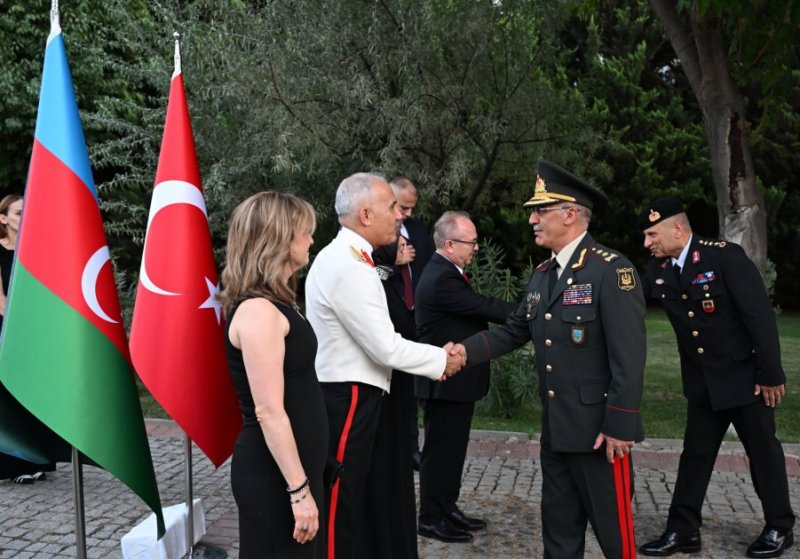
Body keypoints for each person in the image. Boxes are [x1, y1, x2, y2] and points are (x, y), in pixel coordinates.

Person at [457, 160, 646, 558]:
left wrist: (620, 425)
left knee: (616, 539)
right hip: (558, 430)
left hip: (600, 435)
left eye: (540, 211)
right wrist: (462, 352)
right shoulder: (544, 274)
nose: (532, 220)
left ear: (571, 214)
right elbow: (514, 330)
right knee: (559, 534)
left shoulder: (611, 271)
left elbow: (629, 356)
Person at [304, 172, 465, 559]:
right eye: (392, 208)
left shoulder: (353, 258)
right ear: (364, 214)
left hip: (354, 393)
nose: (399, 216)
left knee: (353, 502)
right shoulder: (349, 266)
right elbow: (385, 348)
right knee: (341, 502)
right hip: (347, 397)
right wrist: (443, 359)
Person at [637, 197, 795, 558]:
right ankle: (683, 531)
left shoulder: (724, 257)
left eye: (651, 233)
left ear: (678, 228)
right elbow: (630, 305)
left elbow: (759, 318)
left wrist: (770, 374)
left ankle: (779, 527)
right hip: (703, 384)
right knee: (695, 456)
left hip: (745, 380)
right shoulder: (657, 269)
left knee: (763, 454)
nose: (647, 243)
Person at [219, 191, 327, 558]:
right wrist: (298, 491)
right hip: (274, 477)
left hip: (293, 472)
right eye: (304, 231)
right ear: (279, 239)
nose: (312, 239)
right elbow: (268, 410)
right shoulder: (258, 311)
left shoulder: (277, 302)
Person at [415, 211, 517, 543]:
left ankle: (446, 507)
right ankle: (431, 517)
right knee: (441, 452)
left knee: (453, 449)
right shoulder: (442, 277)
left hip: (456, 383)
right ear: (449, 243)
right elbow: (482, 306)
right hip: (444, 383)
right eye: (470, 242)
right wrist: (527, 314)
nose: (475, 247)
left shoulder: (447, 271)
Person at [0, 194, 56, 485]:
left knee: (34, 399)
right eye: (18, 213)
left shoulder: (34, 250)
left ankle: (37, 458)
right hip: (7, 332)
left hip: (34, 331)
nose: (23, 218)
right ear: (3, 218)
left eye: (26, 213)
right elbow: (2, 303)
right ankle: (16, 465)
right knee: (11, 401)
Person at [389, 176, 434, 470]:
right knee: (396, 392)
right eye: (403, 208)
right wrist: (395, 262)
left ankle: (418, 449)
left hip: (419, 318)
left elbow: (431, 270)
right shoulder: (378, 233)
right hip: (391, 320)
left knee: (419, 391)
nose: (406, 214)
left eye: (410, 209)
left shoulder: (418, 230)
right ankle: (400, 447)